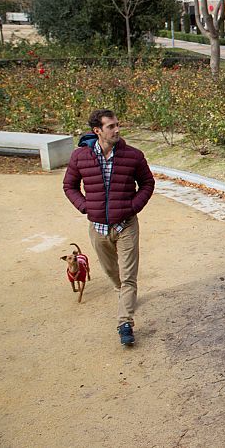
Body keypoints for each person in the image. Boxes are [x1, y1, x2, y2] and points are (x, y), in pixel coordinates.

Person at [63, 109, 155, 346]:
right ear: (97, 130)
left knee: (128, 276)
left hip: (126, 226)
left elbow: (147, 183)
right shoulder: (80, 157)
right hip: (98, 228)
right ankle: (124, 295)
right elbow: (69, 186)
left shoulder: (133, 156)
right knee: (113, 274)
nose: (117, 130)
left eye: (117, 125)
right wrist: (85, 207)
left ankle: (125, 323)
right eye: (111, 126)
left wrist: (133, 206)